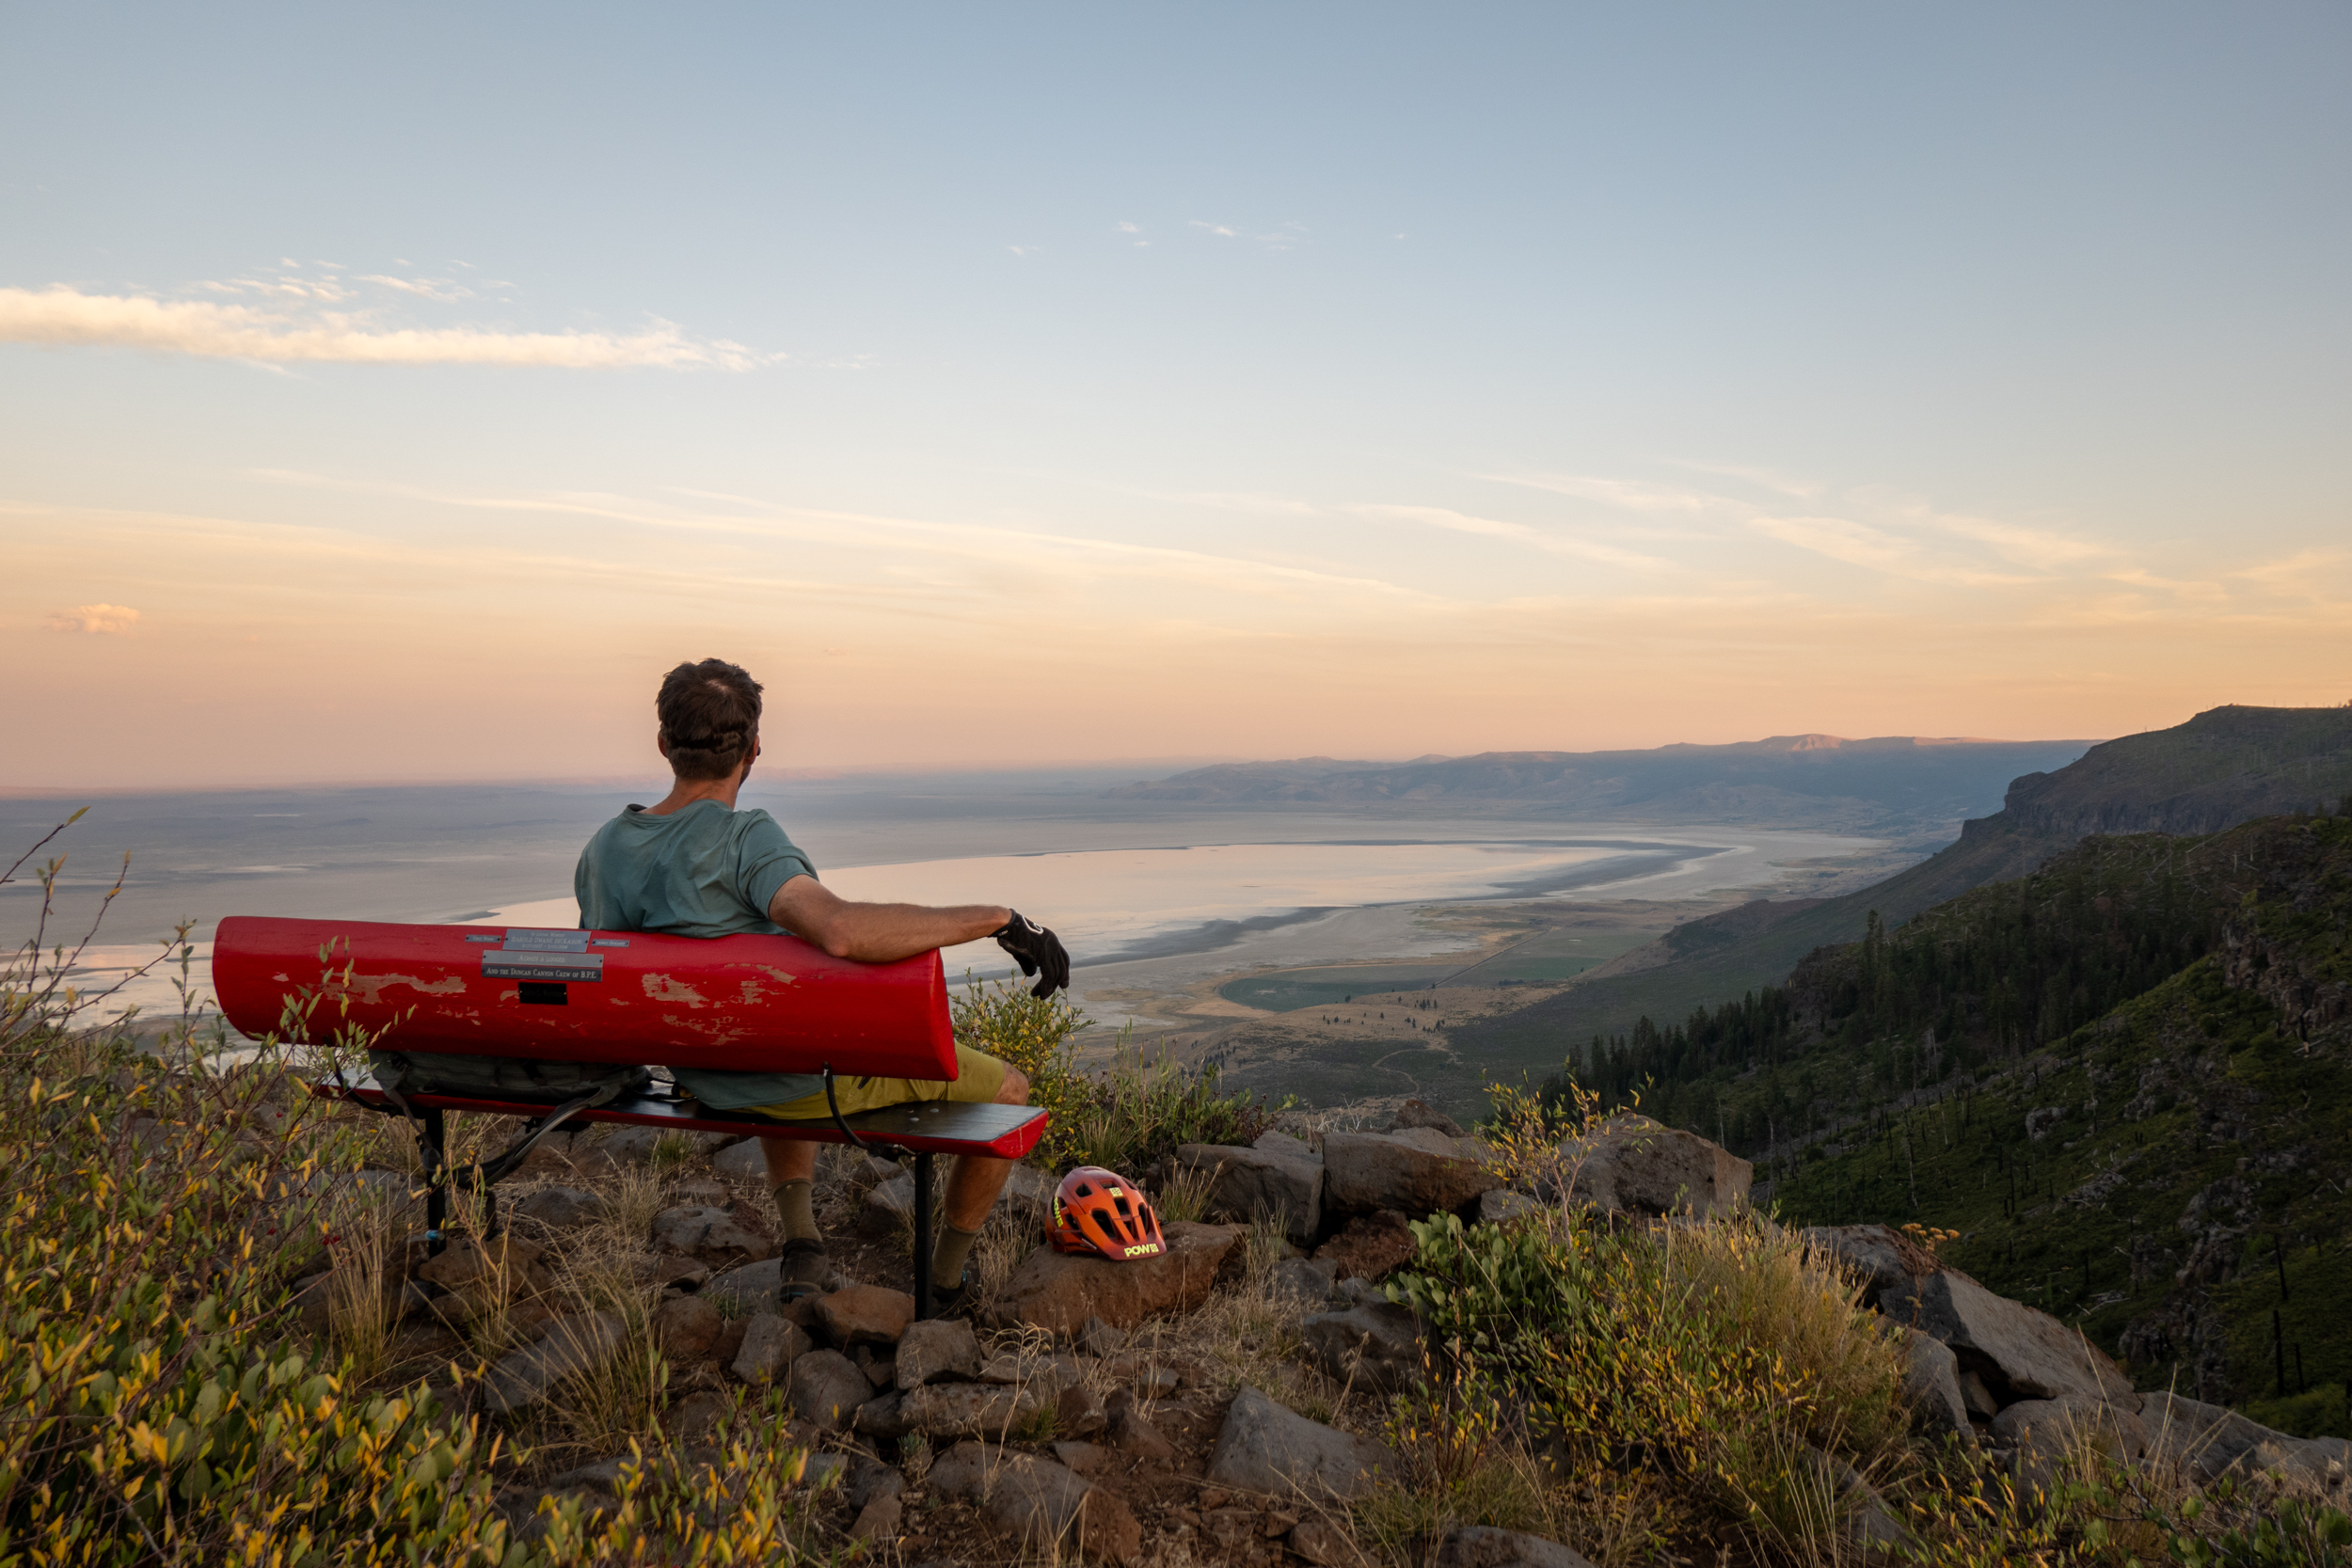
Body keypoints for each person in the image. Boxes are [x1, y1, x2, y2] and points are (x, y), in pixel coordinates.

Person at [574, 657, 1071, 1304]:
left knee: (775, 1036)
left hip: (707, 1076)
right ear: (753, 749)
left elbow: (602, 974)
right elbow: (838, 929)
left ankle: (803, 1239)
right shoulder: (745, 839)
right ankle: (946, 1280)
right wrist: (996, 918)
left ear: (664, 744)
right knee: (1009, 1089)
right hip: (791, 1077)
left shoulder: (607, 847)